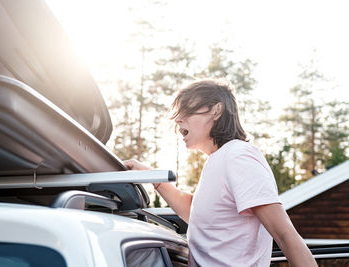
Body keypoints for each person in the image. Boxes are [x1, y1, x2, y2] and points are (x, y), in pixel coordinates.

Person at [124, 80, 317, 267]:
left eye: (186, 110)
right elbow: (198, 215)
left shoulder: (238, 156)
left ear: (216, 110)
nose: (177, 119)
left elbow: (284, 233)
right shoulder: (219, 160)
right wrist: (150, 175)